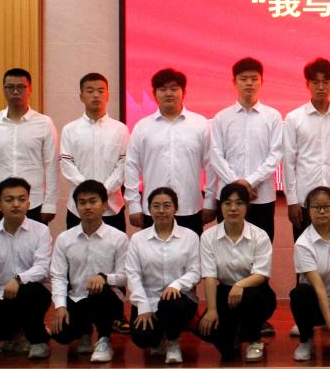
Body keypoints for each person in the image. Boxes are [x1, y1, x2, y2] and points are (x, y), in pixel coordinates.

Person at [0, 177, 52, 360]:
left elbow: (42, 268)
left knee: (30, 291)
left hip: (35, 292)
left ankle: (38, 340)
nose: (16, 204)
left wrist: (18, 279)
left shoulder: (41, 230)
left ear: (29, 203)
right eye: (9, 199)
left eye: (22, 199)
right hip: (3, 295)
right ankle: (15, 334)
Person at [50, 179, 129, 363]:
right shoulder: (64, 239)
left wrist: (105, 278)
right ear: (76, 207)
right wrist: (60, 307)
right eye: (82, 202)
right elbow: (58, 276)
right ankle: (83, 332)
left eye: (93, 201)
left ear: (104, 205)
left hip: (108, 298)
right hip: (77, 298)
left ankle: (104, 340)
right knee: (61, 334)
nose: (87, 207)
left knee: (99, 291)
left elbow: (126, 277)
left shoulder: (119, 238)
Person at [126, 68, 213, 234]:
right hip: (153, 209)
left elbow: (211, 166)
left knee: (191, 250)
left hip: (190, 207)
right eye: (163, 89)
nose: (168, 93)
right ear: (154, 93)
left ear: (183, 92)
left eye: (174, 89)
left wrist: (210, 201)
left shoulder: (201, 124)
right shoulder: (142, 127)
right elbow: (131, 166)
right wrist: (134, 204)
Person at [198, 183, 276, 362]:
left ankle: (254, 339)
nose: (233, 208)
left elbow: (261, 274)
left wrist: (240, 285)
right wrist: (211, 310)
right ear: (221, 207)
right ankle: (236, 335)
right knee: (209, 331)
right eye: (227, 203)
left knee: (252, 298)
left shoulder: (259, 235)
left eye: (239, 203)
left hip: (255, 291)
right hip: (225, 291)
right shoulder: (208, 237)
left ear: (247, 206)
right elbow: (209, 277)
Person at [283, 57, 330, 241]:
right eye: (316, 83)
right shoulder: (294, 118)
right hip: (304, 200)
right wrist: (292, 200)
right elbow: (288, 162)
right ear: (307, 85)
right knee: (304, 250)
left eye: (326, 82)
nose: (321, 87)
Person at [210, 57, 283, 242]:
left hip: (261, 196)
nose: (249, 83)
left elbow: (275, 155)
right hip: (228, 198)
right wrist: (237, 185)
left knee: (262, 247)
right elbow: (216, 156)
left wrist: (250, 181)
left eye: (254, 78)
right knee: (227, 247)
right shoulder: (221, 118)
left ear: (261, 81)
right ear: (234, 82)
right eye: (243, 79)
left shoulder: (273, 116)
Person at [126, 186, 200, 365]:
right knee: (142, 337)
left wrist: (176, 285)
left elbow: (195, 271)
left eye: (167, 205)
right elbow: (133, 275)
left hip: (180, 300)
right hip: (149, 299)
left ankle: (173, 342)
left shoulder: (190, 236)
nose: (161, 211)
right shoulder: (137, 239)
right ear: (149, 209)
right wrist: (143, 306)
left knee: (171, 302)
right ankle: (158, 339)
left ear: (176, 208)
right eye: (156, 206)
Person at [0, 67, 57, 227]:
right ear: (3, 89)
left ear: (30, 89)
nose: (15, 92)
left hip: (34, 202)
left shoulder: (44, 123)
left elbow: (52, 166)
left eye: (21, 87)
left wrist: (50, 204)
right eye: (10, 87)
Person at [59, 72, 129, 231]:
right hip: (78, 208)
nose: (96, 95)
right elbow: (67, 164)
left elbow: (123, 165)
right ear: (81, 97)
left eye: (101, 91)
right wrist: (88, 191)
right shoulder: (70, 129)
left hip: (112, 207)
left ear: (108, 95)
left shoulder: (121, 129)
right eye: (90, 91)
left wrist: (103, 191)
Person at [290, 186, 330, 362]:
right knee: (300, 293)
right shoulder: (303, 244)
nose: (322, 211)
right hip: (316, 303)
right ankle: (306, 340)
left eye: (327, 206)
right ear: (308, 210)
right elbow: (319, 288)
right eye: (316, 207)